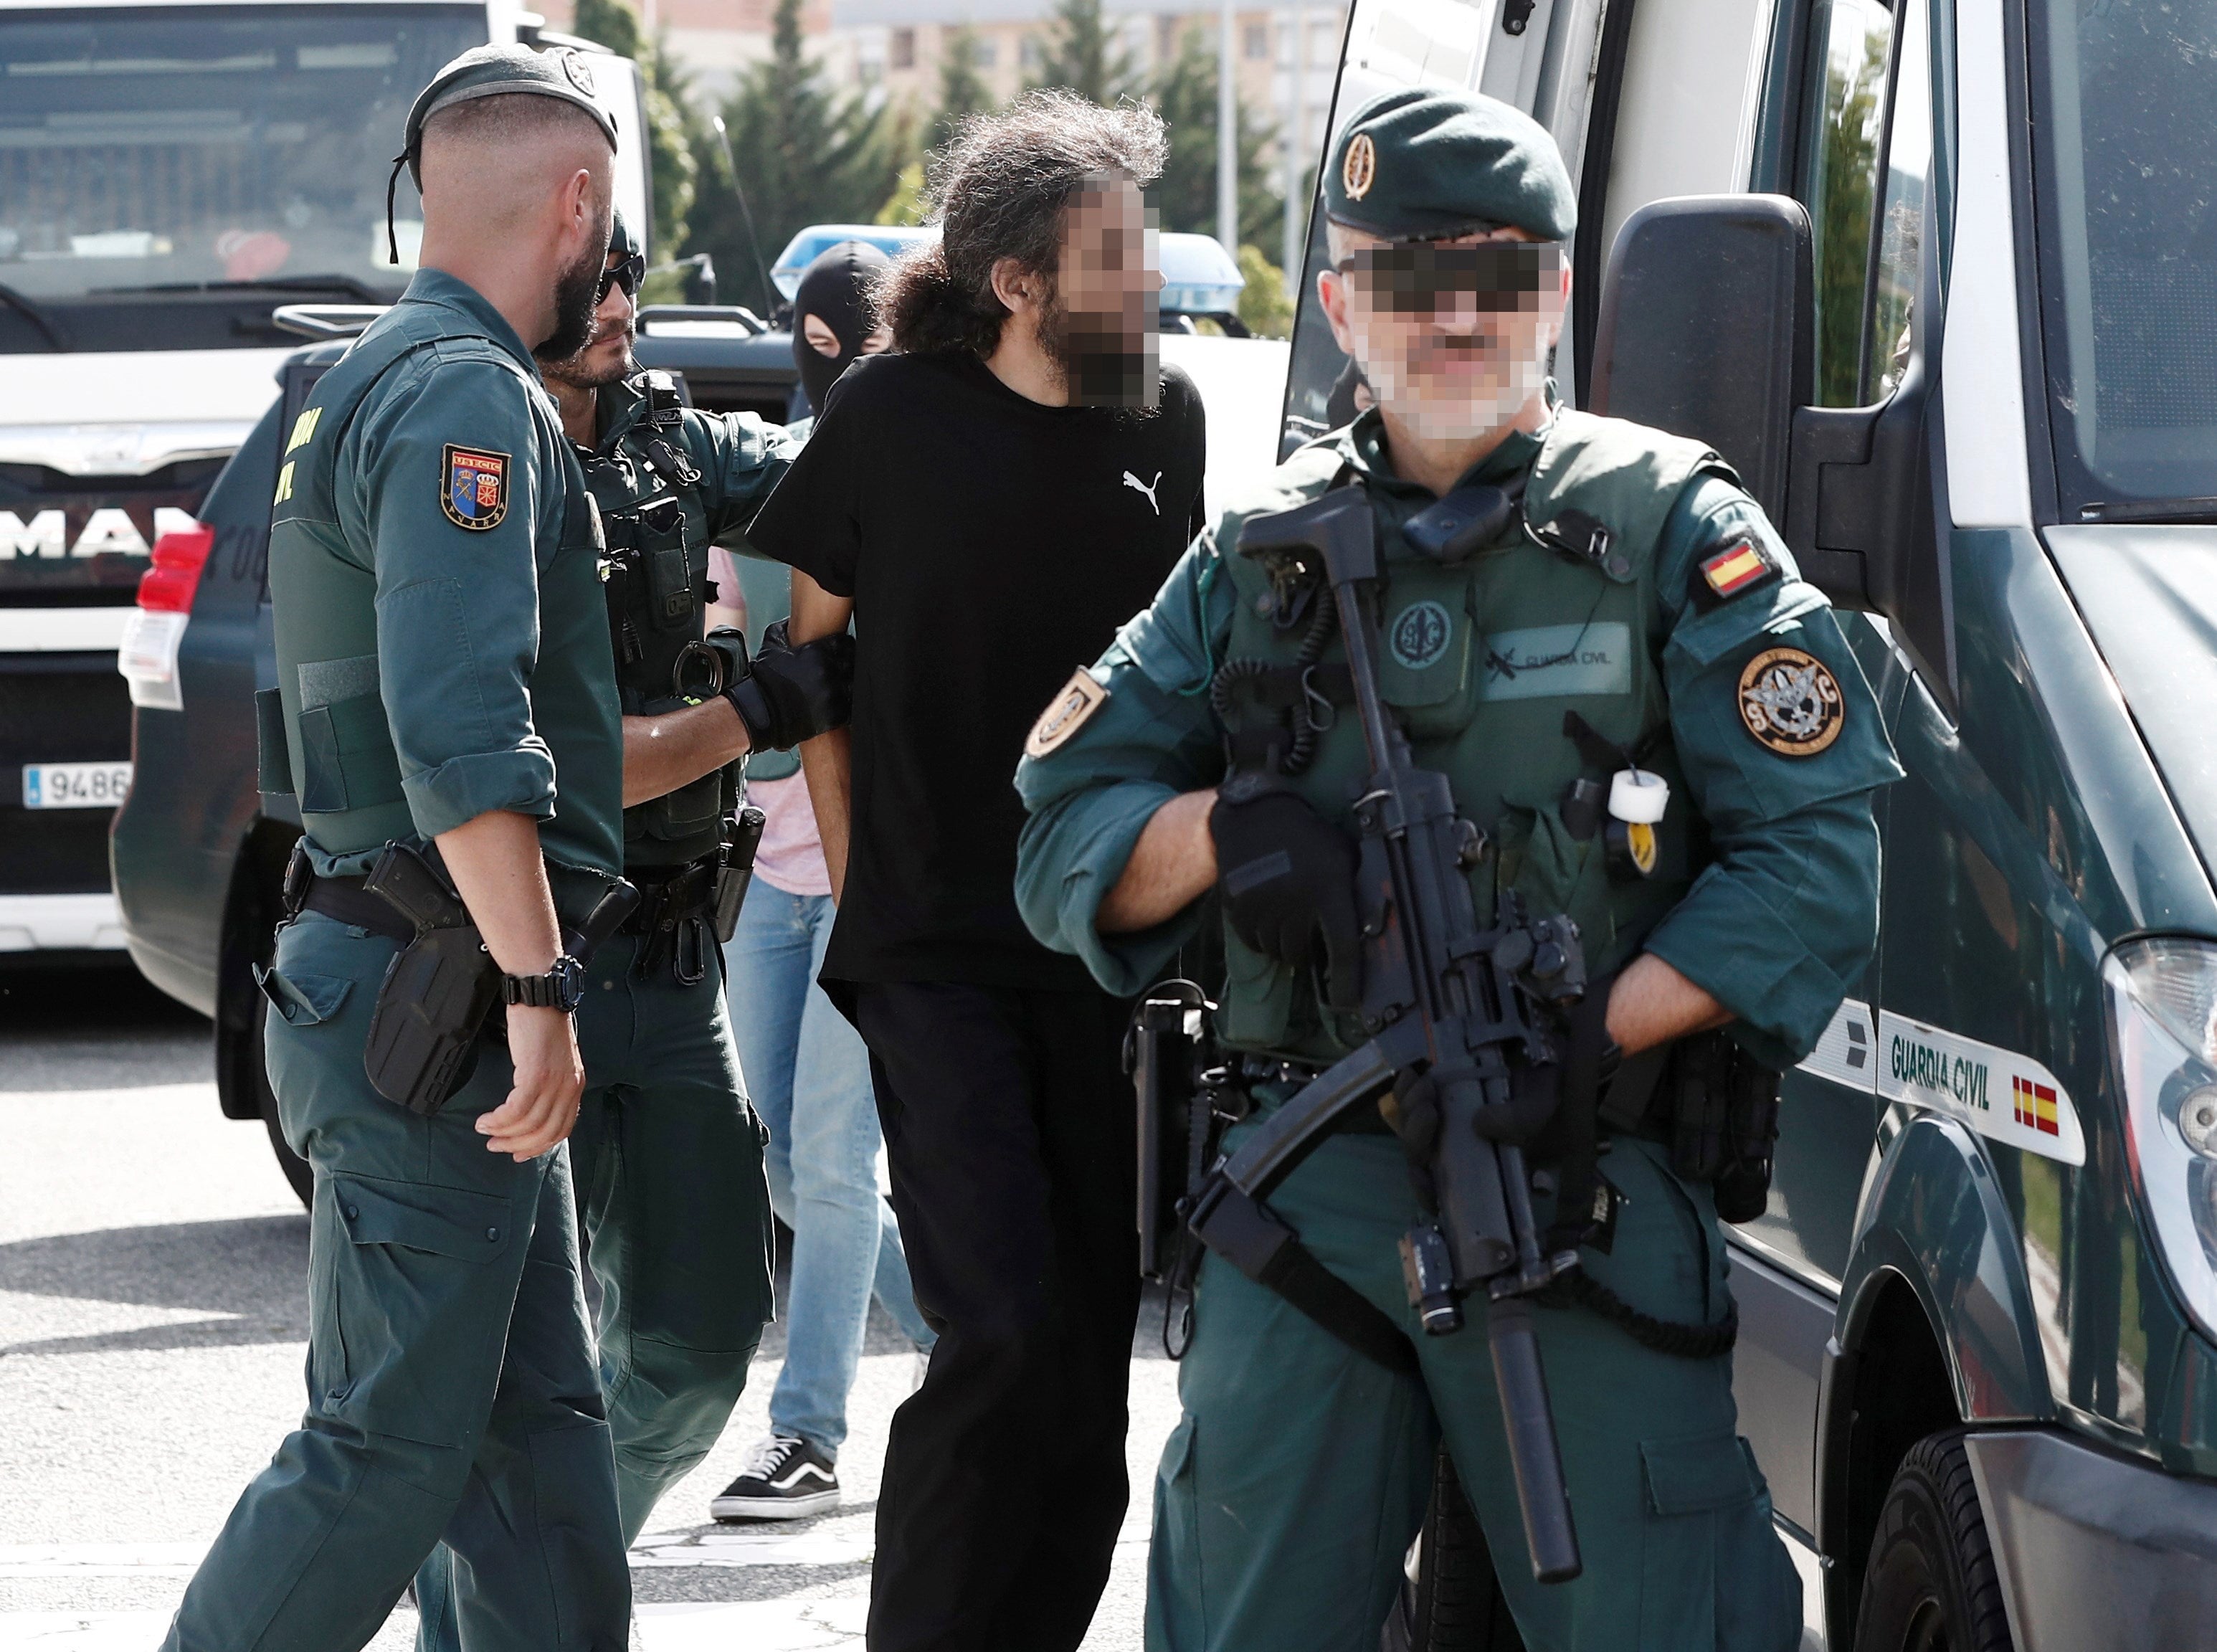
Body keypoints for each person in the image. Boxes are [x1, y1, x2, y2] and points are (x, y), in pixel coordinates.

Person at [1013, 87, 1904, 1652]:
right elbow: (1059, 830)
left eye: (1494, 275)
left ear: (1555, 295)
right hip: (1305, 1196)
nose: (1452, 317)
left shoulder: (1672, 527)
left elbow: (1815, 862)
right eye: (1405, 278)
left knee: (1661, 1626)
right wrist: (1225, 835)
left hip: (1570, 1171)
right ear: (1342, 301)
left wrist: (1589, 1039)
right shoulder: (1253, 555)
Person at [163, 45, 630, 1651]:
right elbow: (455, 733)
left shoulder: (359, 380)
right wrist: (539, 981)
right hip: (435, 994)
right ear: (577, 203)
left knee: (539, 1452)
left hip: (393, 976)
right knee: (388, 1454)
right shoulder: (463, 396)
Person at [746, 91, 1207, 1651]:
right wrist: (879, 894)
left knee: (1087, 1353)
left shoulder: (1169, 421)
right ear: (1017, 282)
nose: (1151, 284)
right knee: (1000, 1327)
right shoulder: (883, 417)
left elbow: (1187, 679)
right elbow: (816, 670)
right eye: (1117, 256)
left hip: (1107, 944)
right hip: (934, 946)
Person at [417, 211, 853, 1636]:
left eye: (630, 281)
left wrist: (906, 391)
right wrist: (757, 714)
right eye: (594, 280)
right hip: (523, 964)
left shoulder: (669, 442)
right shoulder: (470, 466)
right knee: (499, 1373)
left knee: (701, 1341)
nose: (620, 303)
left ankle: (513, 1596)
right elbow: (561, 758)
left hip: (670, 963)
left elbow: (826, 484)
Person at [706, 239, 936, 1525]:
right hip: (765, 877)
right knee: (793, 1168)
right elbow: (731, 679)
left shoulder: (905, 492)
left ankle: (808, 1436)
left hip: (865, 874)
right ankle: (967, 1355)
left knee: (835, 1166)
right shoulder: (756, 500)